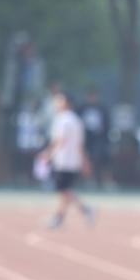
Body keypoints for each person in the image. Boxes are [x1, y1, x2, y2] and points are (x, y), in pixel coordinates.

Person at [42, 90, 94, 228]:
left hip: (63, 160)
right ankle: (60, 218)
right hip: (73, 160)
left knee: (64, 190)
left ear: (67, 103)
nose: (56, 103)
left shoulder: (63, 120)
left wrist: (49, 154)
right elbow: (80, 145)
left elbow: (60, 140)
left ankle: (85, 209)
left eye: (59, 101)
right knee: (65, 191)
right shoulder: (76, 120)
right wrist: (84, 161)